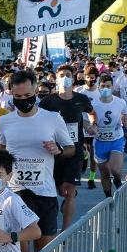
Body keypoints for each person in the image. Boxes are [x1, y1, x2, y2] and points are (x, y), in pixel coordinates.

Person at [0, 72, 73, 252]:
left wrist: (58, 150)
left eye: (27, 96)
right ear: (10, 94)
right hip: (15, 193)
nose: (23, 100)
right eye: (18, 96)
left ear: (35, 90)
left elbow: (71, 148)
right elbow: (1, 151)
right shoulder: (5, 121)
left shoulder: (52, 118)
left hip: (44, 192)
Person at [38, 66, 94, 231]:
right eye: (61, 75)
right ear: (56, 78)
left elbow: (92, 112)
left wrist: (91, 124)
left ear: (74, 77)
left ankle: (65, 230)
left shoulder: (81, 99)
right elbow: (38, 120)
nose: (65, 78)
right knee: (58, 191)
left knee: (69, 192)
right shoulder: (48, 101)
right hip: (53, 153)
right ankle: (54, 221)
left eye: (68, 75)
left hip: (74, 152)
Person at [92, 75, 127, 197]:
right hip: (100, 142)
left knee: (115, 170)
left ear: (112, 87)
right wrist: (91, 126)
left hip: (116, 139)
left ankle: (118, 179)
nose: (105, 88)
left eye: (108, 86)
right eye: (103, 86)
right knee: (104, 172)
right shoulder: (93, 104)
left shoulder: (120, 102)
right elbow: (88, 118)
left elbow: (125, 114)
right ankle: (108, 197)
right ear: (98, 87)